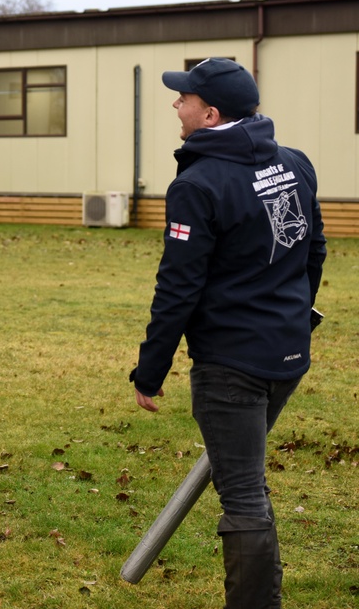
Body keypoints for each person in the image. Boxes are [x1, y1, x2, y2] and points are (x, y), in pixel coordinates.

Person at [129, 58, 325, 608]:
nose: (176, 104)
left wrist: (149, 371)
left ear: (210, 114)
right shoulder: (295, 163)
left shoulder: (198, 183)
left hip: (231, 367)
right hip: (286, 353)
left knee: (241, 496)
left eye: (184, 98)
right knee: (248, 482)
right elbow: (313, 251)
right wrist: (290, 316)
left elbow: (178, 288)